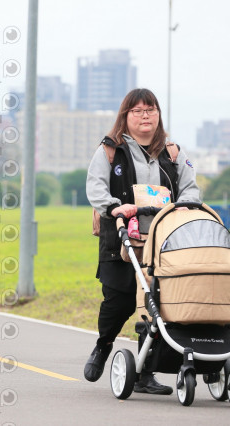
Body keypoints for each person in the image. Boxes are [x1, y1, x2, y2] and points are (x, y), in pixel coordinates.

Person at [85, 88, 200, 394]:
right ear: (126, 116)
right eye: (137, 111)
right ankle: (103, 344)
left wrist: (185, 205)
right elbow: (96, 187)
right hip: (122, 239)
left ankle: (145, 372)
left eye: (150, 110)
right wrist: (114, 206)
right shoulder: (110, 150)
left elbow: (191, 187)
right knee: (119, 300)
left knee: (156, 304)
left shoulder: (173, 152)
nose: (145, 116)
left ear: (158, 115)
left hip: (164, 242)